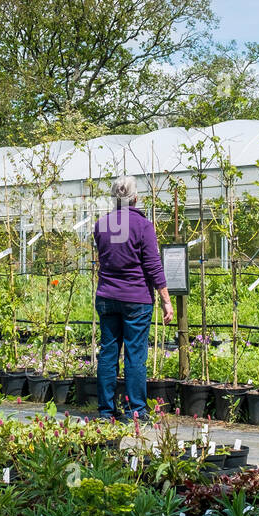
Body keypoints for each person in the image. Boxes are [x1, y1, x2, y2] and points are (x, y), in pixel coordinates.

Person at [93, 175, 174, 419]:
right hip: (136, 299)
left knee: (108, 353)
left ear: (113, 198)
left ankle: (106, 411)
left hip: (107, 296)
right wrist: (166, 300)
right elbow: (153, 266)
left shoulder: (102, 224)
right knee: (134, 355)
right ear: (136, 198)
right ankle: (135, 411)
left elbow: (107, 257)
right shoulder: (143, 226)